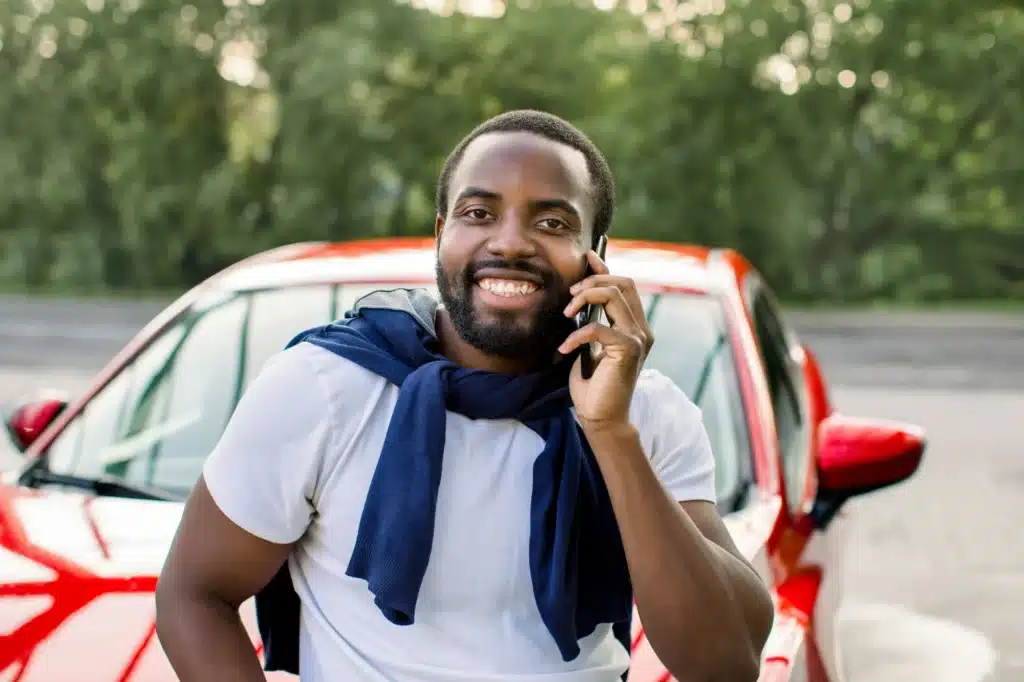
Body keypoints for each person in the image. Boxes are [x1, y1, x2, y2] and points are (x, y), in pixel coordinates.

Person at [154, 109, 774, 682]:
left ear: (598, 257)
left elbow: (725, 664)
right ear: (441, 233)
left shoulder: (647, 412)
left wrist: (611, 435)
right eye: (479, 213)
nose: (509, 242)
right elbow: (194, 592)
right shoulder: (325, 386)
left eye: (551, 221)